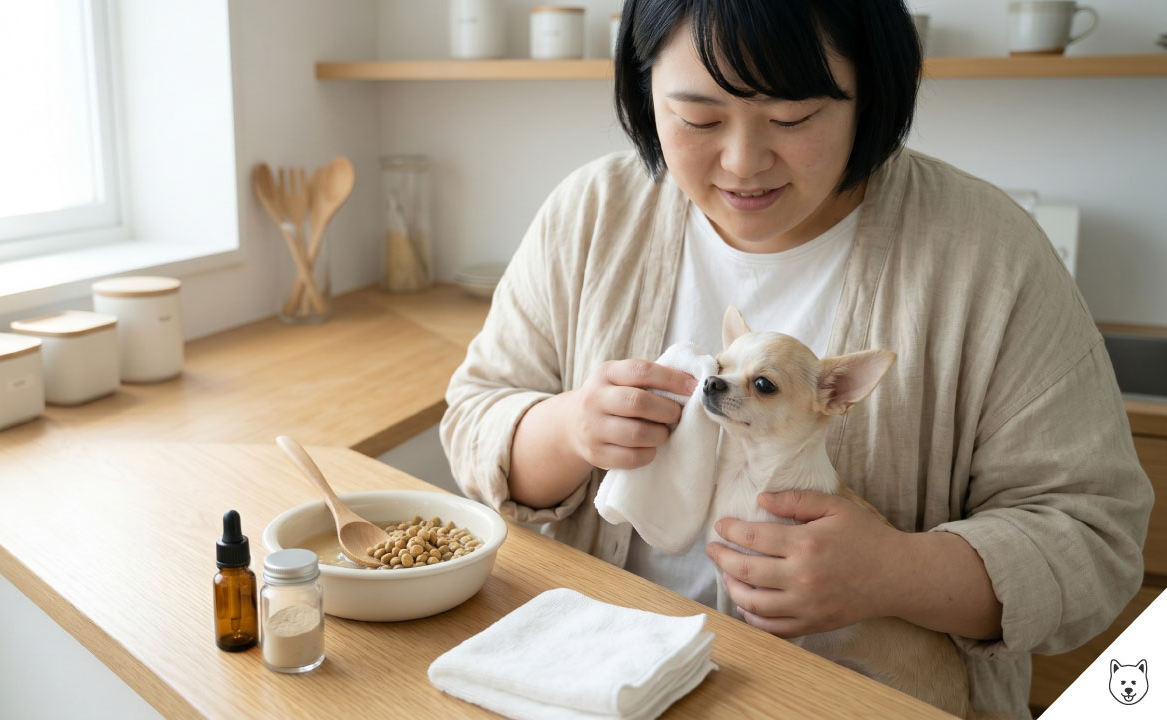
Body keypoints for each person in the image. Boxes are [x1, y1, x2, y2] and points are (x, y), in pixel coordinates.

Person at [439, 0, 1153, 716]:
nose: (743, 162)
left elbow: (1096, 538)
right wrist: (570, 429)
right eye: (697, 118)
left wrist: (898, 573)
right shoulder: (591, 214)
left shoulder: (990, 257)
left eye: (792, 118)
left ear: (870, 90)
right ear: (643, 89)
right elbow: (474, 417)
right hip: (598, 681)